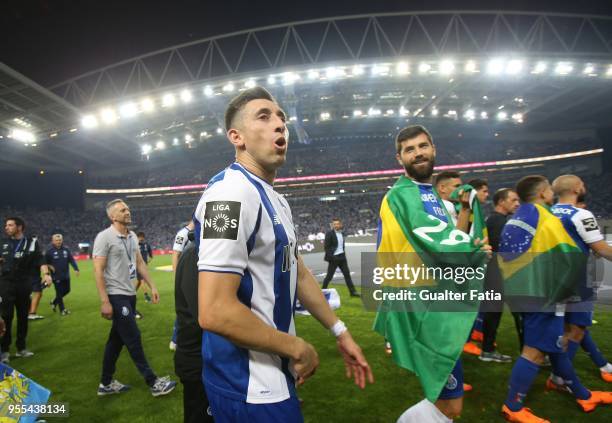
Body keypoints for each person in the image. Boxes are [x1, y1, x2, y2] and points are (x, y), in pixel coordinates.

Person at [196, 87, 373, 422]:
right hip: (247, 384)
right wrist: (297, 347)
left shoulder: (276, 199)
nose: (279, 124)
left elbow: (298, 271)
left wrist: (340, 332)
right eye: (264, 117)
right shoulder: (229, 195)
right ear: (237, 137)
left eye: (282, 118)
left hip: (273, 374)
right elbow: (215, 310)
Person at [378, 125, 489, 422]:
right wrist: (472, 252)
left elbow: (446, 237)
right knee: (450, 406)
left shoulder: (434, 197)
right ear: (399, 158)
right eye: (409, 149)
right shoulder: (403, 195)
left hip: (437, 303)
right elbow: (432, 239)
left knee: (445, 399)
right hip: (423, 309)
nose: (418, 153)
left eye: (422, 146)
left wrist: (466, 227)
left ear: (433, 148)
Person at [501, 175, 612, 422]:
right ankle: (513, 407)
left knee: (556, 342)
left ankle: (582, 393)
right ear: (542, 193)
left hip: (527, 290)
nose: (552, 194)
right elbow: (564, 253)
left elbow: (509, 254)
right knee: (535, 352)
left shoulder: (520, 216)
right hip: (543, 292)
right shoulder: (542, 216)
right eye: (549, 190)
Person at [93, 199, 176, 397]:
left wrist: (152, 285)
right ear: (112, 216)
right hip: (116, 295)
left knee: (116, 341)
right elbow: (98, 269)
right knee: (133, 337)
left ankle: (105, 383)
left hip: (130, 295)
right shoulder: (104, 237)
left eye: (128, 209)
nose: (127, 212)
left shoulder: (131, 236)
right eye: (123, 210)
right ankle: (153, 382)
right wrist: (105, 300)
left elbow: (139, 264)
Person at [547, 175, 612, 388]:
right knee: (576, 329)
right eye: (582, 184)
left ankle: (564, 371)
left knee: (564, 327)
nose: (583, 187)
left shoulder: (547, 212)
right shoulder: (581, 214)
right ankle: (559, 377)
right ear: (576, 189)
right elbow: (601, 248)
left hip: (552, 278)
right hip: (578, 279)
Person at [0, 217, 51, 363]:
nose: (6, 227)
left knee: (23, 317)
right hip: (5, 284)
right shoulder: (2, 242)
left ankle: (21, 348)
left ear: (20, 227)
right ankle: (4, 351)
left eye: (10, 225)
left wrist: (46, 275)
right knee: (7, 317)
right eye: (6, 225)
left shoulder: (31, 242)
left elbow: (40, 260)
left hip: (23, 284)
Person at [478, 188, 521, 363]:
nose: (517, 203)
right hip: (499, 274)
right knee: (515, 312)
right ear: (501, 202)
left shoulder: (497, 219)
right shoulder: (497, 221)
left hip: (495, 273)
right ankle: (531, 353)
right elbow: (502, 249)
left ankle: (487, 351)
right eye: (513, 200)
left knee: (494, 312)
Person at [175, 235, 213, 423]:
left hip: (204, 357)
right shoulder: (195, 254)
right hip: (197, 360)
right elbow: (205, 316)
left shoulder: (200, 251)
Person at [169, 220, 195, 351]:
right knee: (185, 307)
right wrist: (176, 277)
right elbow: (176, 254)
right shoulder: (183, 234)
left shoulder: (195, 233)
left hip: (192, 274)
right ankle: (175, 339)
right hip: (185, 276)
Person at [321, 218, 359, 297]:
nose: (336, 225)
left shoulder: (342, 233)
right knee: (329, 276)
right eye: (334, 224)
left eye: (337, 224)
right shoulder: (329, 233)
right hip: (334, 258)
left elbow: (342, 246)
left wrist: (343, 255)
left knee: (347, 275)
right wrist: (333, 257)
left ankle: (353, 292)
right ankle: (322, 292)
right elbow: (326, 247)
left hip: (342, 257)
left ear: (340, 225)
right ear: (332, 225)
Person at [45, 234, 80, 315]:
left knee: (67, 290)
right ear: (53, 241)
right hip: (56, 276)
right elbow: (44, 263)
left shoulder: (66, 250)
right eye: (56, 240)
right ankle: (62, 310)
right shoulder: (49, 251)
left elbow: (71, 260)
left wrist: (76, 269)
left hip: (66, 275)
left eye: (60, 240)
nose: (58, 242)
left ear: (62, 240)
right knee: (59, 293)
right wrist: (49, 266)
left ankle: (54, 301)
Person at [27, 235, 47, 321]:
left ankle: (27, 313)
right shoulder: (36, 252)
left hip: (23, 276)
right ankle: (32, 313)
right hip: (33, 276)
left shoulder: (23, 251)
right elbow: (41, 261)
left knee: (26, 295)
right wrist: (46, 274)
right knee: (38, 292)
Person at [135, 231, 153, 311]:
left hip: (144, 266)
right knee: (142, 281)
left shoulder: (146, 245)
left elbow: (151, 256)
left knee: (139, 282)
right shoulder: (134, 245)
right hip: (137, 266)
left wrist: (147, 263)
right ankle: (146, 296)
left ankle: (132, 293)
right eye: (140, 238)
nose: (141, 239)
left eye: (142, 238)